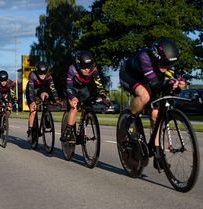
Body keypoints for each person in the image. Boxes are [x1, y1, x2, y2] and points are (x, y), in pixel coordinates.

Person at [119, 37, 186, 169]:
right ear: (156, 56)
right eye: (163, 65)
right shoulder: (145, 57)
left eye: (168, 65)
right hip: (130, 76)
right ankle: (130, 119)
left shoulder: (168, 61)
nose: (166, 68)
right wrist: (168, 83)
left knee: (156, 115)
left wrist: (178, 85)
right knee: (144, 95)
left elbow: (167, 81)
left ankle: (157, 151)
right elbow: (155, 84)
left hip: (150, 80)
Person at [60, 50, 111, 143]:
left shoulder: (93, 70)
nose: (87, 70)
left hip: (84, 89)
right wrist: (72, 97)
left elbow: (99, 85)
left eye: (89, 67)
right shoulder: (72, 69)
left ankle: (83, 127)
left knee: (88, 107)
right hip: (72, 89)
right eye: (84, 67)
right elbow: (68, 86)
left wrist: (104, 97)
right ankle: (68, 131)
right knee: (74, 106)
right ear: (79, 65)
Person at [25, 61, 61, 137]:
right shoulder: (32, 75)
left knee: (45, 96)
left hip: (40, 90)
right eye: (40, 73)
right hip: (31, 90)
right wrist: (32, 102)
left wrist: (57, 99)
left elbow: (52, 88)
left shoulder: (49, 76)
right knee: (33, 110)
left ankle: (46, 117)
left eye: (44, 73)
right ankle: (30, 129)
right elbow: (31, 90)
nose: (42, 76)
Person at [0, 70, 16, 136]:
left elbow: (13, 92)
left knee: (9, 107)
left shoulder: (10, 83)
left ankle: (5, 119)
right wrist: (2, 101)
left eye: (5, 80)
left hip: (6, 95)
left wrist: (13, 99)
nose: (3, 82)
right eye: (2, 81)